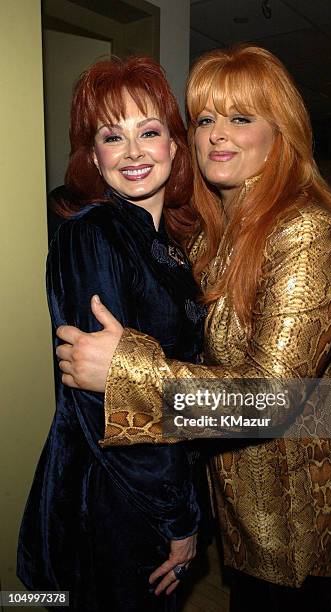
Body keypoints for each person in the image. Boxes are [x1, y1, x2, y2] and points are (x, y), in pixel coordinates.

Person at [55, 46, 331, 611]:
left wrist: (127, 371)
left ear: (280, 132)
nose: (218, 134)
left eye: (241, 118)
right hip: (243, 486)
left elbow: (268, 404)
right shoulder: (221, 225)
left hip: (299, 497)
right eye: (206, 119)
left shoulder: (304, 231)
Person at [17, 56, 206, 612]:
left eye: (149, 132)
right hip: (115, 494)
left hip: (160, 478)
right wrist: (178, 516)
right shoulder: (91, 234)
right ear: (95, 160)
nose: (133, 152)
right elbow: (105, 403)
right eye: (111, 136)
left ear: (175, 145)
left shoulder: (171, 247)